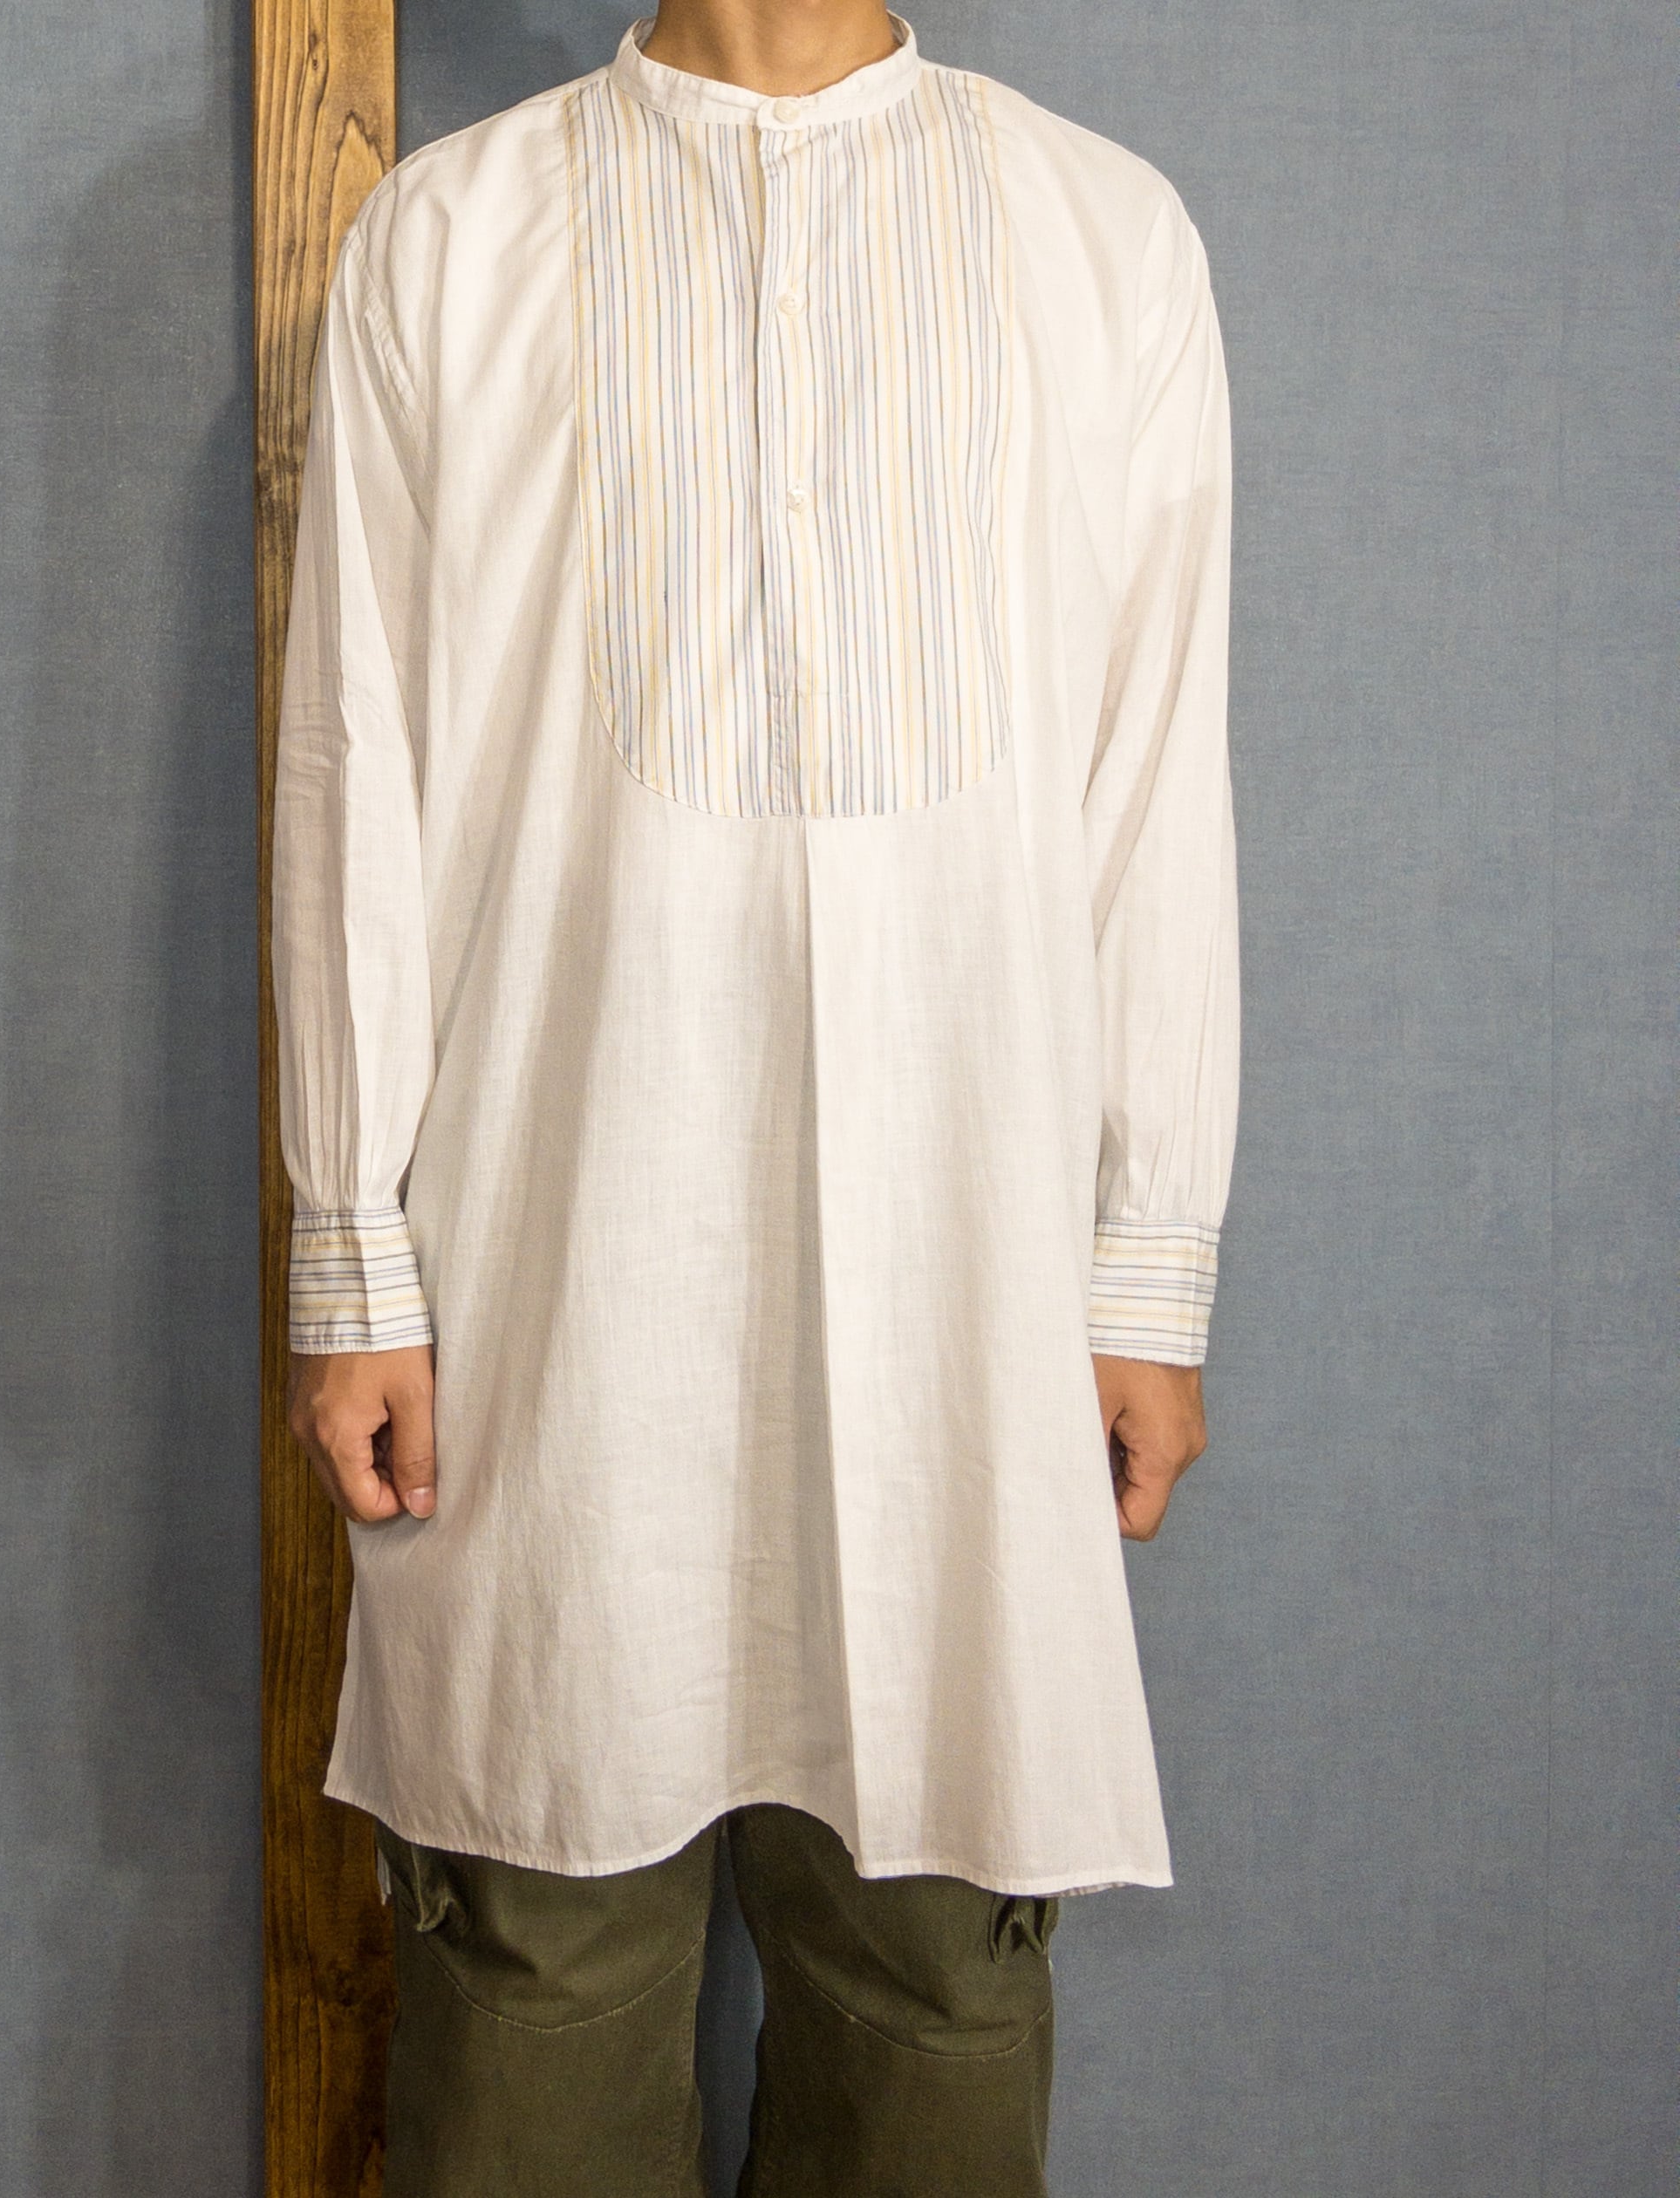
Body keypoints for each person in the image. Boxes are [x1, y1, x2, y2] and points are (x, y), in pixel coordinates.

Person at [270, 1, 1239, 2188]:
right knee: (534, 1966)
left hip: (971, 1270)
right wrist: (354, 1250)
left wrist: (1147, 1263)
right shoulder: (457, 233)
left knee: (939, 1979)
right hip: (548, 1255)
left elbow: (1154, 788)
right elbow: (356, 770)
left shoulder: (1102, 235)